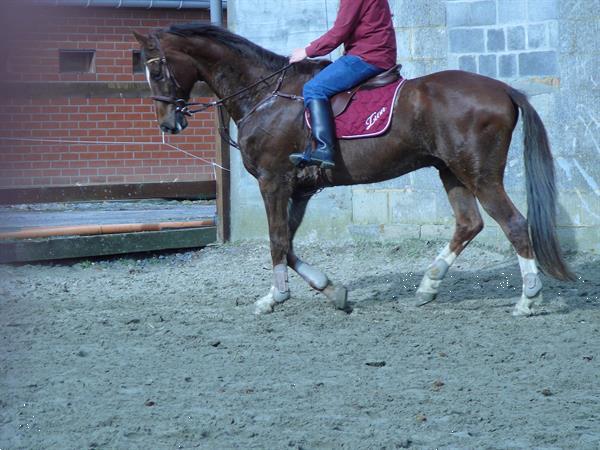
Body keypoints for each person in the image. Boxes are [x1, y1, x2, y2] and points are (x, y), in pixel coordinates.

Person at [288, 0, 397, 169]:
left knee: (314, 88)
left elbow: (339, 32)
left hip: (368, 56)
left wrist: (307, 51)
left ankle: (324, 149)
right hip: (377, 52)